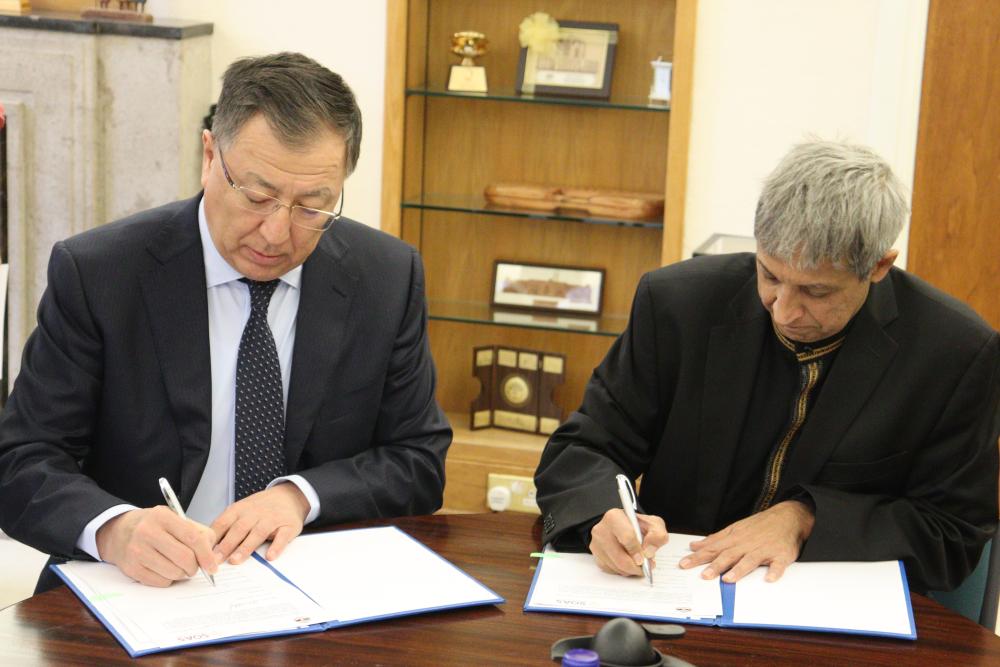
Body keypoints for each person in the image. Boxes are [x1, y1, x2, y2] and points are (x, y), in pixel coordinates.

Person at [0, 52, 451, 591]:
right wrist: (115, 530)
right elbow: (22, 461)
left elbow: (418, 461)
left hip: (309, 585)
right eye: (257, 196)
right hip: (135, 587)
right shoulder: (100, 273)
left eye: (313, 206)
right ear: (209, 154)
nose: (276, 234)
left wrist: (301, 496)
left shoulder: (387, 276)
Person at [534, 140, 999, 593]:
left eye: (816, 292)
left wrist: (806, 518)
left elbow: (951, 534)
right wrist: (601, 513)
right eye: (770, 275)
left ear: (878, 266)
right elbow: (585, 447)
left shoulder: (955, 353)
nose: (783, 311)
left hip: (827, 617)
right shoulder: (679, 306)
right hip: (674, 595)